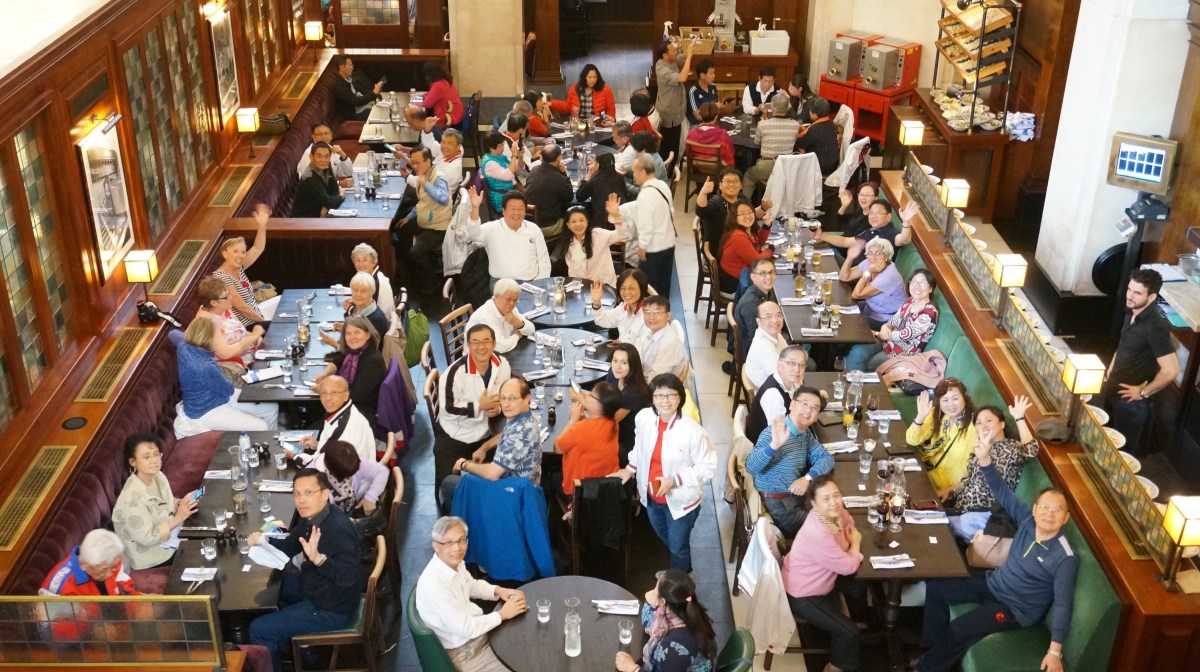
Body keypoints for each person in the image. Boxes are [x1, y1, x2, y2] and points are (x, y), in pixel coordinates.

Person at [915, 450, 1078, 672]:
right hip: (993, 583)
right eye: (1045, 507)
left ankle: (925, 668)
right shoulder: (1028, 520)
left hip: (1015, 609)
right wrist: (984, 460)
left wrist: (1054, 652)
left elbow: (1063, 604)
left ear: (1066, 517)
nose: (1049, 514)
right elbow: (1002, 491)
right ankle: (931, 652)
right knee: (937, 587)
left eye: (1057, 510)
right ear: (1034, 509)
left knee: (960, 629)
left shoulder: (1065, 557)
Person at [249, 469, 362, 672]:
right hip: (316, 586)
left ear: (325, 494)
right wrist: (264, 540)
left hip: (332, 607)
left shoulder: (338, 529)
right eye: (297, 494)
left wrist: (319, 560)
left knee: (259, 630)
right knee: (273, 589)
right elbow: (290, 545)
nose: (301, 500)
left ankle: (282, 647)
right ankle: (300, 647)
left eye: (308, 493)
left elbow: (349, 578)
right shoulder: (312, 517)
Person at [611, 374, 715, 572]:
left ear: (680, 398)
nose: (665, 400)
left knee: (677, 547)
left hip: (681, 501)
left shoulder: (693, 431)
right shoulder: (644, 418)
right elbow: (640, 447)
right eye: (659, 395)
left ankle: (681, 581)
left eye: (671, 395)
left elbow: (706, 466)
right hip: (651, 496)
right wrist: (630, 469)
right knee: (665, 537)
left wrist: (674, 481)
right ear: (652, 398)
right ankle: (683, 568)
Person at [782, 475, 871, 672]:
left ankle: (856, 618)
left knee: (859, 583)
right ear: (814, 504)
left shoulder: (835, 514)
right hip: (804, 593)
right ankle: (833, 667)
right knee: (848, 633)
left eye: (836, 495)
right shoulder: (817, 533)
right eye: (826, 498)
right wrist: (854, 544)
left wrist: (847, 546)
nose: (834, 502)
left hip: (821, 575)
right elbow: (848, 565)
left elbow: (849, 523)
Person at [415, 516, 527, 671]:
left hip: (479, 636)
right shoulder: (434, 586)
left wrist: (499, 590)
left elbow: (471, 585)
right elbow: (466, 628)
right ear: (436, 546)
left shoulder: (453, 563)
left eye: (461, 540)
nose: (457, 548)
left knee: (526, 646)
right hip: (467, 652)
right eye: (449, 543)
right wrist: (502, 614)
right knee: (522, 665)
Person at [1104, 268, 1179, 458]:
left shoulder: (1155, 327)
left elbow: (1171, 370)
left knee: (1122, 455)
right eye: (1129, 289)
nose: (1129, 296)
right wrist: (1112, 365)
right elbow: (1125, 343)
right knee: (1105, 440)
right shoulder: (1132, 311)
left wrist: (1143, 392)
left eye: (1137, 293)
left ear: (1152, 297)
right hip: (1113, 387)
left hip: (1131, 402)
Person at [745, 386, 834, 538]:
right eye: (804, 403)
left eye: (814, 407)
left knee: (836, 507)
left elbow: (827, 458)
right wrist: (774, 446)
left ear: (817, 416)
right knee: (833, 524)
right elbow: (750, 467)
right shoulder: (773, 433)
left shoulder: (804, 434)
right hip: (778, 507)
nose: (808, 410)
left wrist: (807, 478)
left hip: (794, 499)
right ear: (791, 405)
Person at [443, 378, 542, 512]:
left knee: (449, 483)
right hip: (523, 485)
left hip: (512, 494)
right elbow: (507, 433)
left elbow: (492, 473)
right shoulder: (524, 418)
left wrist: (464, 464)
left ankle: (468, 521)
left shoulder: (522, 433)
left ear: (527, 399)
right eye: (503, 398)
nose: (506, 404)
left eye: (512, 398)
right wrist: (485, 447)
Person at [948, 398, 1039, 542]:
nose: (983, 425)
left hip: (987, 514)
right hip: (962, 508)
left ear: (1002, 424)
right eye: (978, 422)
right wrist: (948, 490)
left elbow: (1031, 450)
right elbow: (969, 479)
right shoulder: (979, 447)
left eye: (988, 420)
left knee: (940, 524)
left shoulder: (1011, 447)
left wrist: (1019, 418)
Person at [436, 324, 511, 497]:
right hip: (456, 436)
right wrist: (479, 406)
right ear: (468, 345)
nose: (481, 347)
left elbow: (506, 395)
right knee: (451, 488)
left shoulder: (502, 365)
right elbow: (447, 409)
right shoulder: (453, 373)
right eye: (475, 342)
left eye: (486, 341)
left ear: (494, 344)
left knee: (501, 480)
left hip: (487, 432)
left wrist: (499, 407)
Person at [169, 319, 278, 438]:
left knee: (271, 408)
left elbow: (172, 333)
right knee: (261, 426)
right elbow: (229, 389)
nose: (221, 337)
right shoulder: (205, 367)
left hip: (218, 397)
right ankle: (264, 445)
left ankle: (272, 441)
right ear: (209, 338)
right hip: (206, 412)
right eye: (218, 334)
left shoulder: (184, 346)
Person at [112, 433, 199, 569]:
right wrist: (178, 518)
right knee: (204, 550)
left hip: (172, 535)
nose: (154, 460)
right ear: (133, 462)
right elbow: (147, 538)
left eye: (156, 454)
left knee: (214, 533)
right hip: (153, 554)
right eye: (146, 457)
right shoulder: (131, 500)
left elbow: (166, 504)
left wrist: (181, 503)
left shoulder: (158, 476)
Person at [615, 569, 718, 672]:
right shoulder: (689, 610)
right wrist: (649, 599)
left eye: (655, 590)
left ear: (663, 601)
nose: (653, 592)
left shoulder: (673, 648)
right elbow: (648, 619)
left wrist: (632, 668)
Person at [846, 268, 939, 373]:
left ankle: (852, 381)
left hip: (902, 354)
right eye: (914, 282)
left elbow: (904, 334)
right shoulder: (910, 302)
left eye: (922, 283)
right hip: (887, 343)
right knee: (858, 350)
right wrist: (885, 326)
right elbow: (893, 321)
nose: (917, 286)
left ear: (930, 288)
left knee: (863, 362)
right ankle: (845, 379)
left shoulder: (929, 313)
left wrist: (878, 333)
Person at [609, 153, 674, 297]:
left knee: (648, 286)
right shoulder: (663, 185)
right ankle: (663, 308)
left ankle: (649, 309)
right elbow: (671, 211)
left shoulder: (645, 194)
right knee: (663, 285)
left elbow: (646, 223)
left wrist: (642, 246)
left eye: (635, 172)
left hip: (653, 246)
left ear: (643, 172)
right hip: (668, 242)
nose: (634, 176)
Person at [906, 378, 979, 496]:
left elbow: (979, 471)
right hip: (928, 475)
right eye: (945, 400)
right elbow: (912, 440)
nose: (950, 405)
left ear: (964, 398)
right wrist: (920, 417)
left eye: (955, 399)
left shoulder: (975, 425)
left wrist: (950, 490)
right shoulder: (939, 414)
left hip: (949, 489)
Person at [286, 375, 377, 468]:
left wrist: (294, 456)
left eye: (334, 393)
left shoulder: (344, 426)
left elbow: (321, 466)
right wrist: (318, 445)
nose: (328, 398)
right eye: (324, 392)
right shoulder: (346, 412)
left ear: (346, 395)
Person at [555, 381, 622, 503]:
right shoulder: (614, 422)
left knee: (552, 477)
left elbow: (557, 448)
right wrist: (580, 418)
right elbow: (590, 435)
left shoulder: (581, 428)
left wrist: (573, 420)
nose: (587, 395)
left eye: (592, 395)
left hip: (580, 492)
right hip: (607, 488)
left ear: (601, 405)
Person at [466, 188, 552, 283]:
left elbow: (544, 259)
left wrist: (539, 283)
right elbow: (474, 235)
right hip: (501, 282)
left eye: (520, 209)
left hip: (531, 282)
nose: (516, 213)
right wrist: (475, 208)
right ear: (504, 211)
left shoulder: (534, 229)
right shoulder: (491, 228)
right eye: (512, 209)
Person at [398, 147, 452, 297]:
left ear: (428, 161)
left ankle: (431, 283)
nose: (414, 166)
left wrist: (426, 184)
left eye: (418, 163)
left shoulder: (438, 177)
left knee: (417, 252)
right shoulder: (424, 175)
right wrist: (408, 217)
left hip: (437, 227)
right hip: (425, 219)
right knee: (401, 228)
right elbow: (423, 202)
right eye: (413, 163)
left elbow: (443, 199)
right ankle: (411, 270)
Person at [314, 315, 386, 426]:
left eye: (357, 332)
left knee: (312, 412)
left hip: (360, 412)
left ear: (368, 335)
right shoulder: (353, 351)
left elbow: (357, 395)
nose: (352, 337)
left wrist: (325, 390)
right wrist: (324, 375)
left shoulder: (373, 361)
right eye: (348, 333)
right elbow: (338, 360)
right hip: (348, 404)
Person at [215, 203, 270, 326]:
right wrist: (265, 324)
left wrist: (262, 225)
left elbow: (257, 248)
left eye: (243, 252)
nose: (240, 255)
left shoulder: (238, 267)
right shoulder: (222, 278)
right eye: (235, 251)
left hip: (257, 317)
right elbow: (242, 308)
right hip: (246, 327)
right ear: (225, 254)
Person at [41, 529, 140, 596]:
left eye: (113, 567)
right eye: (103, 570)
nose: (109, 574)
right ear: (84, 565)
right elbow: (57, 621)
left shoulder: (111, 559)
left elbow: (123, 585)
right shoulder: (59, 588)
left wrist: (136, 604)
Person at [696, 168, 771, 256]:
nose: (732, 184)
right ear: (720, 185)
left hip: (743, 245)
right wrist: (703, 193)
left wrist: (763, 208)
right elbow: (701, 211)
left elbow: (751, 215)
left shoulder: (742, 198)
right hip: (722, 252)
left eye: (736, 181)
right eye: (727, 181)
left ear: (741, 185)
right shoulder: (716, 203)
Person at [839, 237, 908, 330]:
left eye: (878, 253)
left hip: (886, 320)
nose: (873, 257)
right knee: (838, 310)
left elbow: (856, 295)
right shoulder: (869, 263)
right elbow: (844, 277)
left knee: (846, 323)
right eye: (870, 253)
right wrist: (850, 258)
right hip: (870, 310)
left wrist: (868, 272)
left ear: (886, 256)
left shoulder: (889, 275)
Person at [194, 275, 264, 366]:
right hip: (236, 366)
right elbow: (225, 354)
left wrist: (256, 338)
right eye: (226, 297)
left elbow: (240, 331)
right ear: (213, 303)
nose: (230, 298)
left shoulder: (222, 309)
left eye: (229, 294)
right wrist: (254, 336)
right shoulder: (206, 323)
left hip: (252, 354)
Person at [745, 345, 809, 443]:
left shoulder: (790, 383)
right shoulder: (773, 394)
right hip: (767, 447)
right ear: (779, 365)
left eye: (802, 365)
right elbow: (779, 436)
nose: (797, 369)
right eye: (792, 363)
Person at [743, 95, 802, 198]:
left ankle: (744, 203)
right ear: (788, 107)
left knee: (749, 175)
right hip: (786, 168)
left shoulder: (762, 124)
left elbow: (757, 142)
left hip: (767, 167)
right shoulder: (795, 125)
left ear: (772, 108)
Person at [604, 343, 652, 468]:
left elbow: (610, 421)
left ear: (633, 366)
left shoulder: (633, 392)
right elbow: (604, 397)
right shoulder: (614, 375)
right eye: (615, 361)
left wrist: (584, 400)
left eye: (624, 363)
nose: (617, 367)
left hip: (629, 441)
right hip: (615, 431)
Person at [559, 203, 627, 287]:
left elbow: (623, 235)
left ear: (587, 222)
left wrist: (616, 216)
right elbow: (572, 272)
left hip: (604, 285)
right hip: (582, 286)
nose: (578, 224)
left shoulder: (597, 234)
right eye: (573, 221)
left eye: (581, 220)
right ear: (568, 225)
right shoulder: (569, 243)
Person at [816, 199, 916, 255]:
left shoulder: (890, 232)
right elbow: (845, 241)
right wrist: (821, 235)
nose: (873, 216)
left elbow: (903, 240)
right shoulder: (870, 231)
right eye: (871, 213)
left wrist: (906, 223)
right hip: (851, 268)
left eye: (878, 213)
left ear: (888, 217)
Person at [320, 440, 390, 515]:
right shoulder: (317, 481)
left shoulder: (351, 461)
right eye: (348, 476)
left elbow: (382, 471)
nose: (352, 476)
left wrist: (370, 497)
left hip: (352, 507)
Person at [653, 39, 695, 165]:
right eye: (673, 51)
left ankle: (673, 166)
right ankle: (667, 170)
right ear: (665, 55)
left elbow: (682, 56)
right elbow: (682, 78)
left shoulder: (672, 60)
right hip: (669, 113)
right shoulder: (662, 69)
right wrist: (689, 58)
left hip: (677, 110)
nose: (676, 52)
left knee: (676, 143)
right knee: (668, 146)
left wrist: (690, 48)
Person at [465, 278, 534, 353]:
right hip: (478, 357)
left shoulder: (511, 309)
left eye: (515, 300)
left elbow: (531, 330)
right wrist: (516, 336)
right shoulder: (485, 315)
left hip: (503, 353)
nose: (511, 303)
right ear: (496, 296)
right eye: (508, 299)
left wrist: (518, 323)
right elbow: (502, 347)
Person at [718, 200, 772, 294]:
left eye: (750, 212)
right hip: (735, 286)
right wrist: (770, 250)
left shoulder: (745, 231)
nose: (747, 216)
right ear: (734, 217)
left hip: (739, 279)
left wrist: (766, 226)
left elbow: (758, 243)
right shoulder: (739, 237)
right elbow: (757, 263)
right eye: (742, 214)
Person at [524, 143, 573, 241]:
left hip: (529, 223)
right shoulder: (558, 178)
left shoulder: (534, 170)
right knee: (576, 220)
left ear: (541, 157)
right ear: (559, 158)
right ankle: (562, 248)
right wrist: (564, 173)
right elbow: (569, 197)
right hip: (547, 226)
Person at [633, 295, 687, 381]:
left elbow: (656, 380)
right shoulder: (649, 331)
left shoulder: (669, 344)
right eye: (647, 312)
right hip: (644, 376)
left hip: (660, 386)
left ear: (668, 315)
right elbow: (641, 358)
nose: (651, 317)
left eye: (657, 312)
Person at [592, 268, 651, 344]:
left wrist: (622, 345)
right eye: (622, 288)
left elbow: (645, 348)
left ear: (642, 288)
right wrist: (596, 301)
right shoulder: (624, 307)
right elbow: (603, 320)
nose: (626, 292)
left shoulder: (649, 316)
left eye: (631, 288)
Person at [735, 258, 781, 352]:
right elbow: (755, 339)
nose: (769, 277)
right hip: (756, 352)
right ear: (752, 277)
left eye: (771, 272)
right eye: (762, 273)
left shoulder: (764, 293)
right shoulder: (751, 304)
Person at [291, 142, 345, 217]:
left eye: (326, 156)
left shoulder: (326, 166)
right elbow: (329, 201)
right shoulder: (310, 178)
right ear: (311, 157)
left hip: (319, 214)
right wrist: (341, 195)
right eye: (319, 156)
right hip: (303, 219)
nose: (323, 160)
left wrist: (325, 207)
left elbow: (334, 189)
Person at [575, 152, 629, 225]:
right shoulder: (620, 177)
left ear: (598, 165)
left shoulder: (594, 181)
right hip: (622, 219)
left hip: (603, 223)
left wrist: (588, 176)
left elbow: (579, 197)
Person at [552, 64, 617, 122]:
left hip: (597, 124)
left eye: (595, 77)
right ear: (584, 77)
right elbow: (568, 106)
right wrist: (552, 103)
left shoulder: (606, 90)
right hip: (579, 123)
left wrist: (610, 121)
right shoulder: (574, 89)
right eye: (589, 77)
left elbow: (610, 109)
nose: (592, 80)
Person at [744, 300, 787, 389]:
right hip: (772, 391)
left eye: (778, 315)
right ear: (758, 321)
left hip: (778, 381)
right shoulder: (763, 347)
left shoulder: (774, 333)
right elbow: (783, 380)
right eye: (768, 317)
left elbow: (788, 353)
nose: (775, 320)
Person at [795, 97, 840, 176]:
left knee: (795, 150)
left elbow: (801, 143)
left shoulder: (815, 129)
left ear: (815, 114)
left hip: (821, 167)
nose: (809, 112)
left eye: (810, 111)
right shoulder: (831, 123)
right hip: (833, 164)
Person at [479, 131, 520, 214]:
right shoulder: (490, 163)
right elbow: (509, 176)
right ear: (491, 148)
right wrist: (514, 155)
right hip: (501, 199)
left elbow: (517, 168)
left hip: (509, 193)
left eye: (503, 144)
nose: (503, 147)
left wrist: (520, 157)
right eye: (500, 145)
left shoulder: (500, 157)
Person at [338, 271, 390, 337]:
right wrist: (343, 330)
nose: (358, 294)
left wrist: (332, 341)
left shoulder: (375, 320)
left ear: (372, 293)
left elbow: (358, 343)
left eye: (363, 291)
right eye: (355, 290)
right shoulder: (358, 309)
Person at [350, 243, 395, 318]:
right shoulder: (367, 279)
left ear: (373, 263)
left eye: (365, 260)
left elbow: (384, 314)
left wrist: (351, 309)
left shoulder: (380, 282)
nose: (360, 264)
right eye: (357, 260)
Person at [686, 102, 735, 169]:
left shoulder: (692, 133)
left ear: (701, 116)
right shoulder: (723, 134)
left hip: (698, 167)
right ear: (716, 116)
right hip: (718, 168)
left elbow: (688, 153)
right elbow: (730, 153)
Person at [331, 54, 381, 120]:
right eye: (350, 65)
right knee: (379, 115)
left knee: (383, 109)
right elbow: (356, 102)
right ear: (342, 68)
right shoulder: (339, 85)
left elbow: (362, 91)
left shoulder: (350, 78)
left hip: (364, 106)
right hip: (357, 114)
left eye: (352, 65)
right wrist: (373, 93)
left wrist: (375, 93)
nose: (352, 68)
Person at [421, 61, 464, 129]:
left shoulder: (438, 85)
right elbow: (438, 94)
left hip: (448, 121)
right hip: (457, 115)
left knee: (423, 126)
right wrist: (426, 95)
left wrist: (424, 97)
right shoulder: (446, 80)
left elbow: (427, 104)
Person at [686, 59, 721, 124]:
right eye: (711, 73)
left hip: (713, 122)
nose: (714, 76)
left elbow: (718, 107)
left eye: (714, 73)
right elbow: (698, 116)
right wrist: (714, 107)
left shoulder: (713, 86)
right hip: (698, 124)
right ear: (702, 75)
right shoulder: (693, 91)